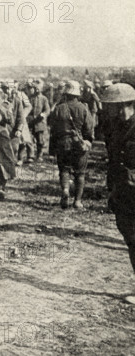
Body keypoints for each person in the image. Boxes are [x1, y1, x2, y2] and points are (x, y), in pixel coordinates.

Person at [100, 83, 135, 303]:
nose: (108, 110)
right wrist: (112, 188)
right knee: (131, 238)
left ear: (122, 105)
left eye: (111, 106)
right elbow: (113, 160)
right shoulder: (116, 126)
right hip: (123, 191)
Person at [48, 81, 94, 209]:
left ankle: (66, 191)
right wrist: (88, 140)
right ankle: (78, 201)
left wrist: (52, 149)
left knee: (64, 170)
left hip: (62, 143)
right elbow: (89, 128)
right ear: (77, 94)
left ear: (66, 93)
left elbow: (53, 130)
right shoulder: (84, 108)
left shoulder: (58, 108)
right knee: (80, 173)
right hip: (79, 144)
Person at [25, 80, 51, 162]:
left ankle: (39, 155)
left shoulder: (44, 99)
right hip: (30, 122)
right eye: (35, 88)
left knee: (40, 141)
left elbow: (47, 110)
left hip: (40, 122)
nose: (36, 90)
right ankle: (31, 156)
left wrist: (44, 114)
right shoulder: (30, 98)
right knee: (29, 139)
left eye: (38, 88)